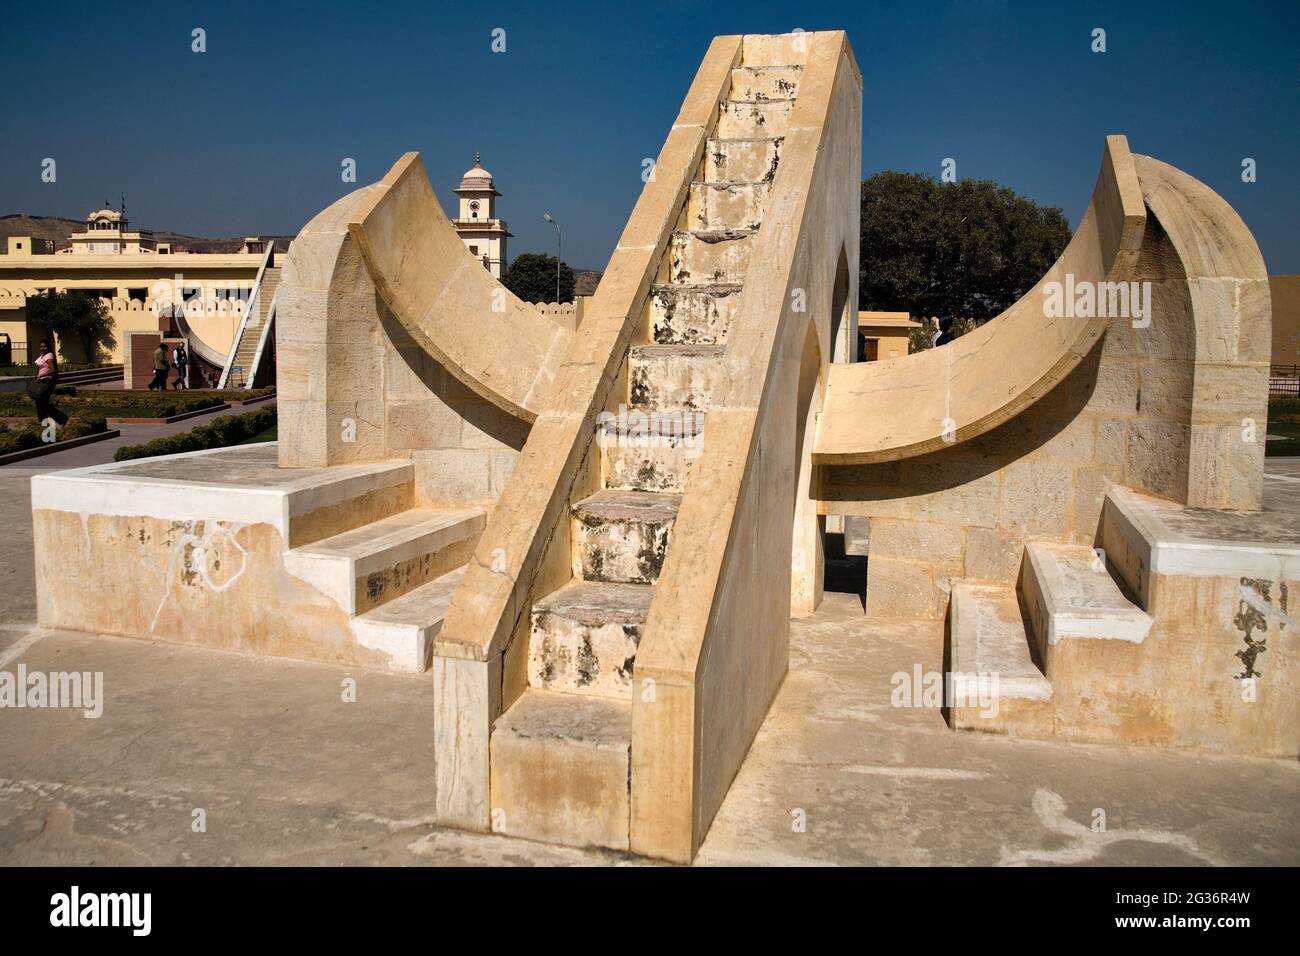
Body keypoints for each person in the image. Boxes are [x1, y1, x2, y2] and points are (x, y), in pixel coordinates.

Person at [27, 340, 68, 426]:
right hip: (41, 381)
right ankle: (46, 420)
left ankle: (58, 418)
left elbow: (52, 369)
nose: (42, 348)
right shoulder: (42, 356)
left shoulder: (49, 356)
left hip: (47, 382)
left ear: (48, 347)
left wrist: (41, 375)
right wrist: (37, 376)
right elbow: (40, 368)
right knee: (40, 402)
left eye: (44, 346)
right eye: (41, 346)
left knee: (41, 401)